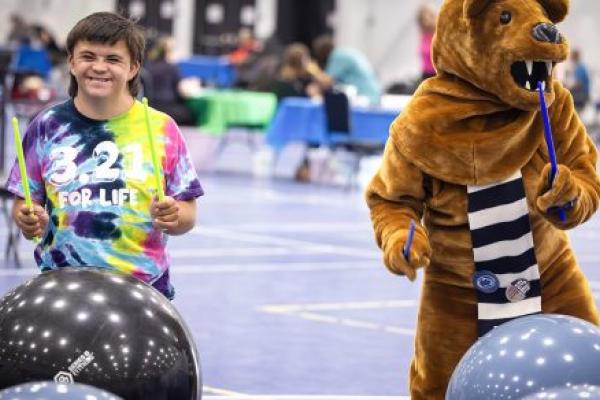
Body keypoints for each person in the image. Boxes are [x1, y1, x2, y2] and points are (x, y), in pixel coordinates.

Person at [4, 12, 203, 300]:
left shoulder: (162, 128)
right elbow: (26, 200)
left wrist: (175, 215)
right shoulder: (46, 126)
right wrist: (26, 217)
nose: (99, 67)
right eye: (88, 56)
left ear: (133, 68)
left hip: (143, 291)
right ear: (71, 62)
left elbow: (187, 213)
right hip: (61, 287)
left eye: (112, 59)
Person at [311, 34, 381, 105]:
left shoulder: (337, 56)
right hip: (372, 93)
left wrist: (311, 70)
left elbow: (326, 81)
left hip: (365, 96)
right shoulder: (345, 53)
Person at [143, 35, 196, 125]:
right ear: (168, 51)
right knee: (193, 114)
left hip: (149, 109)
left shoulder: (147, 65)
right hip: (168, 110)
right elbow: (183, 92)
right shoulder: (171, 68)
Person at [416, 3, 437, 81]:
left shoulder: (439, 35)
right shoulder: (423, 36)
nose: (426, 21)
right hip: (426, 75)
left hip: (437, 75)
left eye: (429, 16)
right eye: (423, 19)